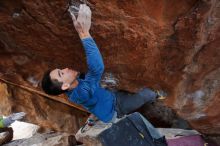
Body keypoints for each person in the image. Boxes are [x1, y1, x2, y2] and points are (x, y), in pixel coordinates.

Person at [41, 4, 166, 123]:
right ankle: (156, 95)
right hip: (116, 109)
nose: (66, 68)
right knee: (145, 94)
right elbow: (96, 69)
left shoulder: (73, 84)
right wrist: (84, 33)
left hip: (110, 96)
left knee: (122, 91)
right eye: (61, 73)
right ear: (65, 86)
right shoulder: (81, 94)